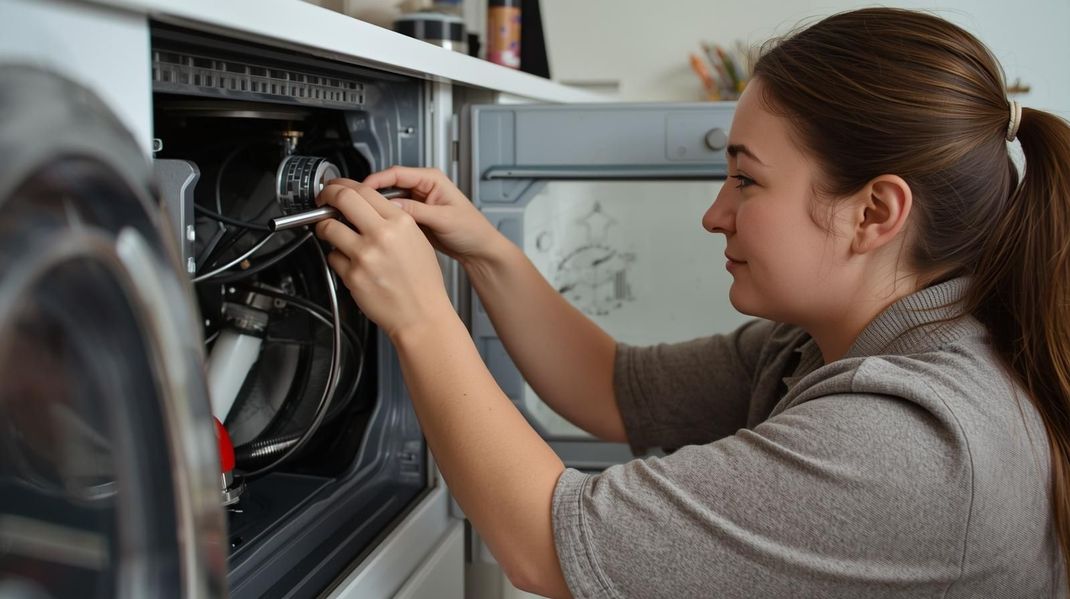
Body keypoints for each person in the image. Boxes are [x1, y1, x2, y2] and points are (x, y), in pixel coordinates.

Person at [312, 7, 1070, 598]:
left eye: (746, 179)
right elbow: (612, 385)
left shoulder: (916, 446)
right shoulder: (821, 344)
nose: (715, 213)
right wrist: (487, 249)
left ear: (875, 212)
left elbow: (543, 547)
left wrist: (417, 312)